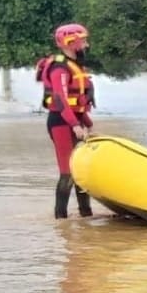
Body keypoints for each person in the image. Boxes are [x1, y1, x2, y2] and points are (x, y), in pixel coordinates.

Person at [36, 22, 96, 219]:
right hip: (61, 123)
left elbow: (77, 102)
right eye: (83, 41)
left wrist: (87, 123)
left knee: (81, 173)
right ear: (70, 42)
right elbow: (61, 101)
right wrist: (75, 125)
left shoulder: (75, 65)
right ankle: (60, 219)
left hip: (75, 121)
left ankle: (86, 215)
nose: (86, 45)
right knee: (67, 173)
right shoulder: (59, 68)